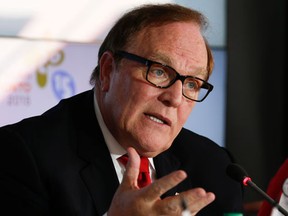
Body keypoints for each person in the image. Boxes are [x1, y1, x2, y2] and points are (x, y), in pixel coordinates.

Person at [0, 3, 243, 215]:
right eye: (158, 71)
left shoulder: (215, 167)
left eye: (192, 84)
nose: (175, 98)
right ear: (107, 71)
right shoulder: (22, 155)